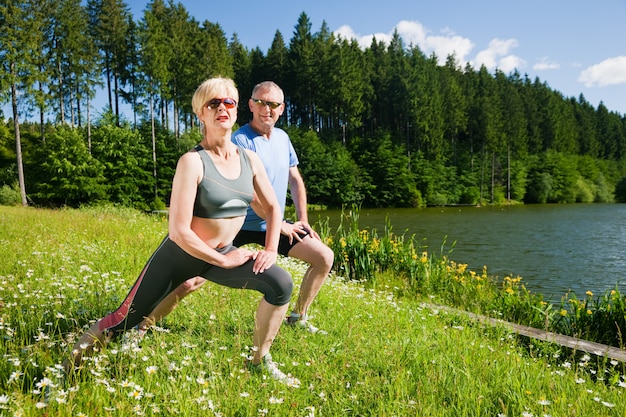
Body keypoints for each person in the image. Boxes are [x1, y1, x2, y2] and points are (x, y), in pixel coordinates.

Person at [63, 77, 299, 387]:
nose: (221, 108)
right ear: (201, 114)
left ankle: (258, 360)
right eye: (212, 103)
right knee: (123, 320)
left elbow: (272, 207)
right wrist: (224, 260)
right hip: (180, 256)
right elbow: (178, 232)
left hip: (222, 253)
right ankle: (63, 372)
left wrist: (270, 249)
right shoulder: (192, 162)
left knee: (280, 284)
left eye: (228, 102)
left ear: (237, 109)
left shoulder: (249, 159)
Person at [140, 81, 334, 334]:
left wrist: (302, 219)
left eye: (273, 104)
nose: (267, 109)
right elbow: (249, 195)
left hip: (272, 225)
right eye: (261, 102)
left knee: (323, 257)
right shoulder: (240, 140)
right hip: (237, 225)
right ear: (251, 105)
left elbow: (295, 179)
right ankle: (143, 325)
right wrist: (283, 225)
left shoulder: (283, 139)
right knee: (190, 283)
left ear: (282, 108)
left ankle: (298, 316)